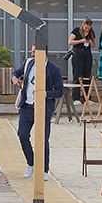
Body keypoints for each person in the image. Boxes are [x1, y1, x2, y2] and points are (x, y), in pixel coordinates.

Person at [13, 50, 64, 178]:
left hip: (43, 107)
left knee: (43, 139)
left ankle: (44, 169)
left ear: (43, 53)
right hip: (27, 106)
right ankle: (31, 162)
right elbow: (16, 73)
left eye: (35, 51)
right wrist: (14, 78)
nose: (32, 53)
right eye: (32, 51)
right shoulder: (29, 63)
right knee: (22, 135)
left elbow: (59, 91)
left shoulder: (54, 69)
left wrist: (45, 93)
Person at [68, 18, 95, 89]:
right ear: (82, 25)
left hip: (87, 53)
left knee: (87, 74)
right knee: (77, 74)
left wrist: (90, 41)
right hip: (78, 52)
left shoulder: (91, 33)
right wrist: (81, 41)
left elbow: (93, 45)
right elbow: (70, 41)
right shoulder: (76, 31)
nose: (87, 28)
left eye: (89, 26)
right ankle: (76, 97)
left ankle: (86, 96)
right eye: (85, 26)